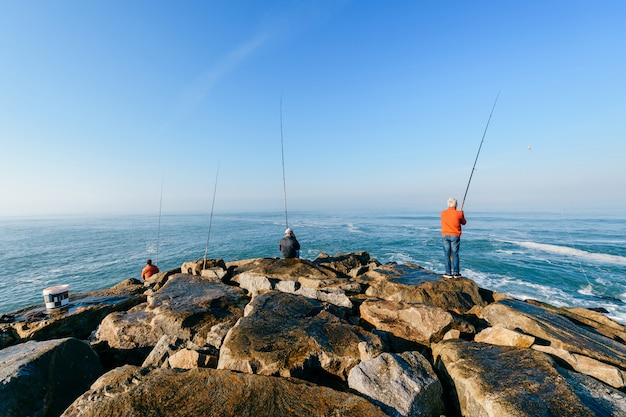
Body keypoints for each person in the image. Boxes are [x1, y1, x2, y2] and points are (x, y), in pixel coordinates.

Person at [440, 197, 466, 278]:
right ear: (456, 205)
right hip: (455, 235)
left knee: (447, 254)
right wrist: (461, 213)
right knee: (455, 254)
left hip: (445, 235)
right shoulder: (459, 213)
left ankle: (448, 273)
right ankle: (456, 273)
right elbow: (464, 222)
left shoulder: (443, 213)